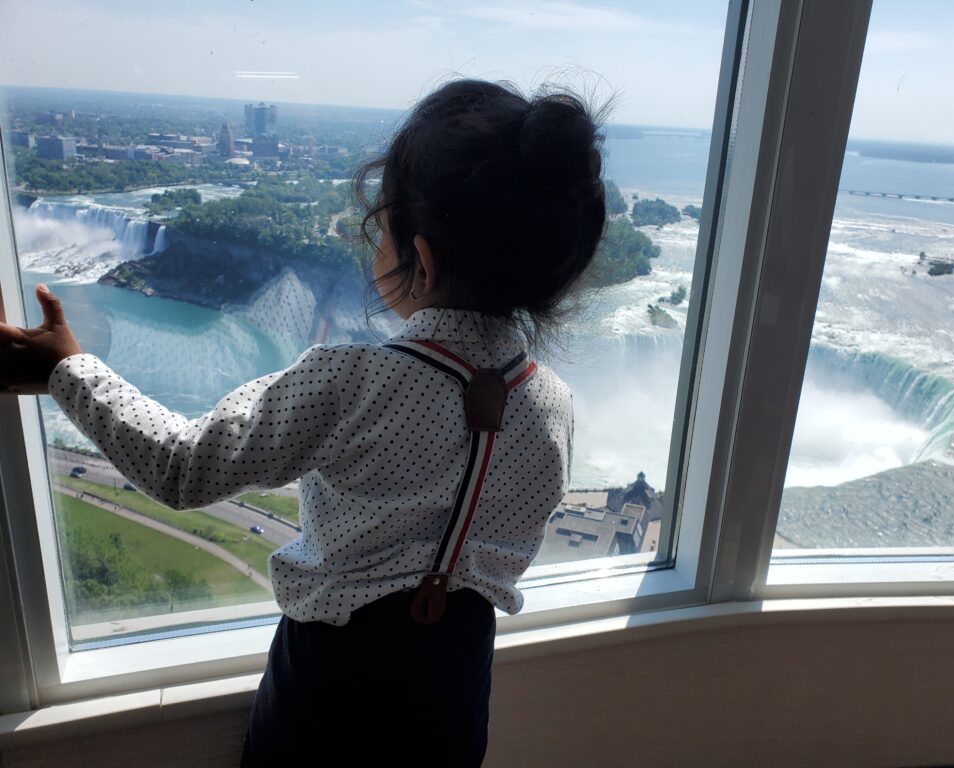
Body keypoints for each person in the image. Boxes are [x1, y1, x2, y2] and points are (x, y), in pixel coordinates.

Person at [0, 79, 608, 766]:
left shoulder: (351, 380)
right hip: (455, 691)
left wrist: (67, 370)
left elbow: (182, 467)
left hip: (331, 689)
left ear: (424, 260)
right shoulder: (553, 405)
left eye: (380, 230)